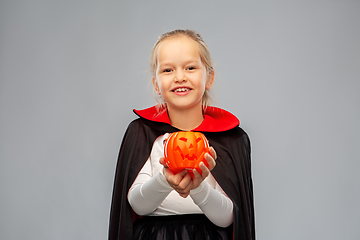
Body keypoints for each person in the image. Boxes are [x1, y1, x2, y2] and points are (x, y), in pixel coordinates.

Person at [108, 29, 255, 240]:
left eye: (190, 68)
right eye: (168, 70)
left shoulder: (231, 139)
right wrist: (165, 180)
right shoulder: (142, 133)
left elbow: (229, 218)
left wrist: (198, 188)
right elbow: (136, 204)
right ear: (156, 84)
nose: (179, 77)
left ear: (209, 78)